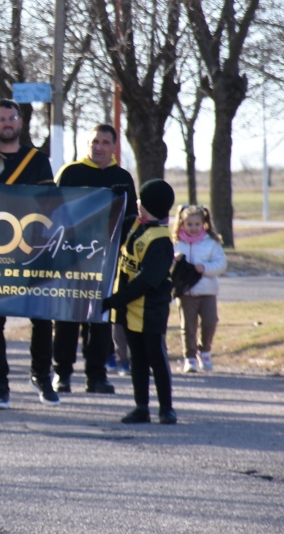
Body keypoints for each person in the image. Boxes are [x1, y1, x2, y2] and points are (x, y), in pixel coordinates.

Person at [0, 99, 58, 410]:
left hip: (31, 250)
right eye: (1, 118)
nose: (8, 123)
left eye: (13, 118)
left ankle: (42, 376)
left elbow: (50, 204)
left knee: (42, 316)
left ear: (21, 122)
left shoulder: (38, 160)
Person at [52, 124, 138, 396]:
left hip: (105, 262)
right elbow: (53, 212)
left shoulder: (122, 177)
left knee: (100, 320)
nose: (98, 147)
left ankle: (97, 376)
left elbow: (131, 219)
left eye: (104, 142)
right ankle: (62, 375)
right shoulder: (70, 173)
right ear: (86, 144)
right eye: (94, 142)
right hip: (70, 259)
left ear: (113, 146)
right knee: (66, 319)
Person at [102, 179, 177, 425]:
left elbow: (147, 281)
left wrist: (113, 301)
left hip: (150, 309)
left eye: (141, 201)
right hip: (127, 307)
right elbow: (112, 223)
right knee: (137, 360)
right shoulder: (136, 225)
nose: (137, 203)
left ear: (149, 205)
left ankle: (166, 408)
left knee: (156, 356)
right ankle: (141, 407)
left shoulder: (161, 240)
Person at [172, 204, 227, 373]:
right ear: (182, 224)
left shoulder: (211, 243)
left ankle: (204, 352)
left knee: (210, 322)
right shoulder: (176, 243)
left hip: (207, 290)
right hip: (186, 292)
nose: (194, 228)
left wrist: (204, 268)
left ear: (203, 224)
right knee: (188, 326)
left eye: (197, 224)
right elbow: (166, 264)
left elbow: (221, 264)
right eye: (189, 224)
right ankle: (189, 357)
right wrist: (174, 261)